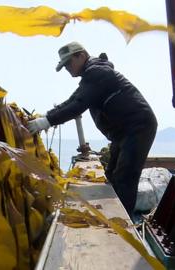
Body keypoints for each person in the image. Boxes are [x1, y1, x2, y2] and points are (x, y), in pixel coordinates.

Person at [27, 41, 158, 217]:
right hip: (123, 132)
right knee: (112, 174)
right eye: (64, 66)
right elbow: (73, 100)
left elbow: (78, 104)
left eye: (68, 63)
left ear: (81, 55)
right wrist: (47, 116)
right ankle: (115, 215)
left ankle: (122, 224)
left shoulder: (98, 73)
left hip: (138, 127)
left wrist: (46, 122)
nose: (67, 68)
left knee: (125, 177)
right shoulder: (92, 76)